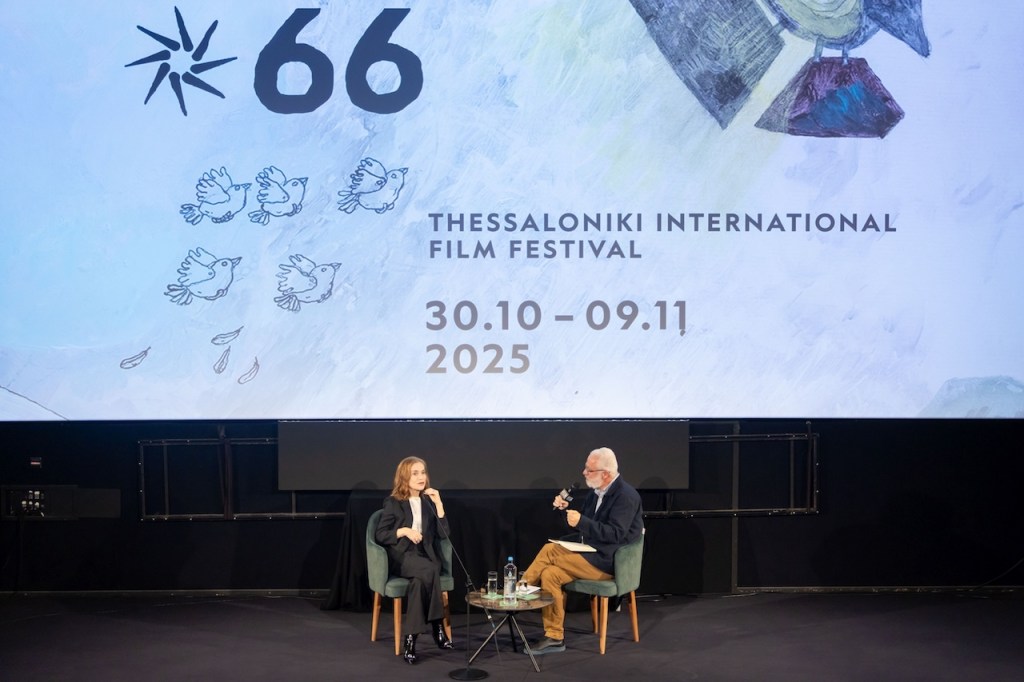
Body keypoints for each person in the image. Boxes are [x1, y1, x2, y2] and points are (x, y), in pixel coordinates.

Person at [520, 446, 644, 655]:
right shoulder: (595, 493)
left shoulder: (626, 496)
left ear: (606, 474)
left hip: (609, 562)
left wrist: (582, 521)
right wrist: (565, 512)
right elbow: (581, 527)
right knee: (550, 574)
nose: (584, 472)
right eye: (586, 468)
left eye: (589, 470)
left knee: (551, 550)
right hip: (590, 554)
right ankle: (554, 637)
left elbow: (615, 534)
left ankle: (519, 592)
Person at [374, 456, 454, 664]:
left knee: (419, 583)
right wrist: (404, 531)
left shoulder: (428, 503)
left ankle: (410, 640)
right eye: (415, 473)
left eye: (423, 472)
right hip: (403, 555)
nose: (421, 477)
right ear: (404, 477)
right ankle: (437, 626)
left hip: (425, 555)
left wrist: (439, 504)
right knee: (430, 570)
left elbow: (443, 534)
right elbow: (380, 534)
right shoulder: (393, 502)